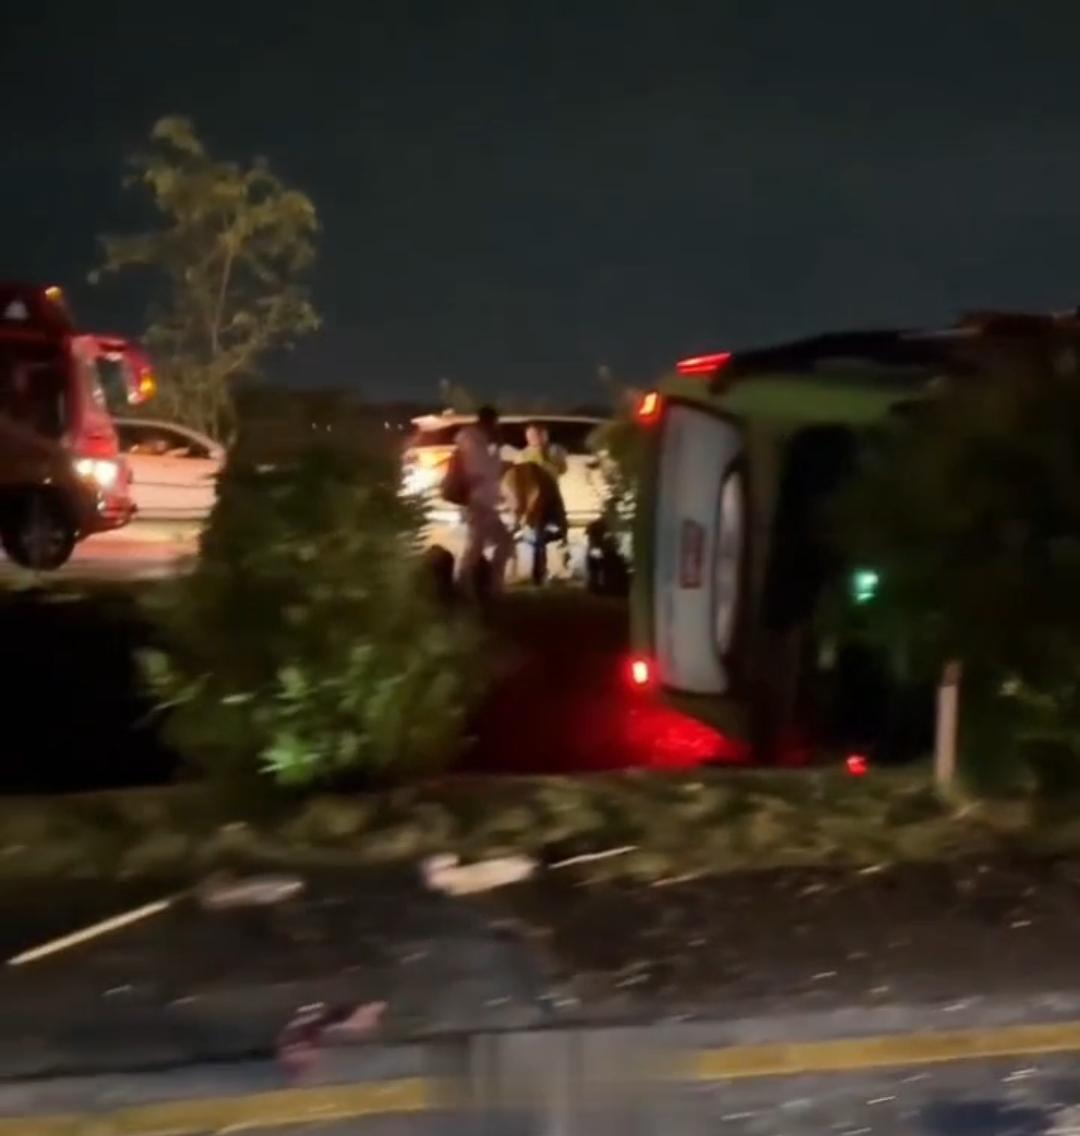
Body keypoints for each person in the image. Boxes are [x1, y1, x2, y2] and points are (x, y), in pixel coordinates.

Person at [454, 405, 512, 598]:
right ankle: (467, 587)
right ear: (488, 422)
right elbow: (484, 470)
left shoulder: (479, 440)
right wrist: (496, 450)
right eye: (494, 424)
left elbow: (489, 472)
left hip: (485, 503)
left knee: (498, 542)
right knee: (477, 547)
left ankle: (488, 586)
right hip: (478, 502)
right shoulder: (472, 440)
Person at [515, 422, 568, 585]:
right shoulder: (523, 455)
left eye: (537, 435)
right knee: (538, 535)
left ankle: (553, 565)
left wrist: (546, 458)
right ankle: (539, 572)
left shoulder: (554, 451)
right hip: (533, 502)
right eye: (530, 435)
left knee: (559, 529)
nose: (533, 438)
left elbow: (560, 469)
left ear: (545, 436)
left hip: (551, 497)